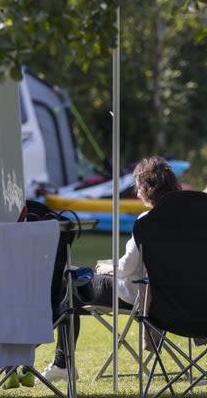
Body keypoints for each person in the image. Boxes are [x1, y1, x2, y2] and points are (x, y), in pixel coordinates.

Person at [41, 155, 183, 382]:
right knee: (78, 280)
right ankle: (62, 362)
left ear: (149, 189)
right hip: (174, 296)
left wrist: (109, 268)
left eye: (138, 187)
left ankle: (63, 363)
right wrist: (112, 265)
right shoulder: (183, 220)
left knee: (70, 278)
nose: (137, 193)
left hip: (136, 294)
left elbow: (127, 268)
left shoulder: (148, 220)